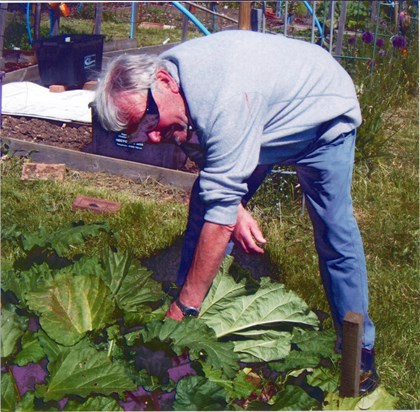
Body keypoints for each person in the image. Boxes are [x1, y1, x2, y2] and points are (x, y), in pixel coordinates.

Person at [94, 30, 379, 394]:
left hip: (321, 117)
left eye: (149, 120)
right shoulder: (173, 88)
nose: (151, 136)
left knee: (333, 230)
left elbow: (220, 211)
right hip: (257, 119)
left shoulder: (223, 100)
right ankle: (192, 322)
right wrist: (235, 206)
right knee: (207, 202)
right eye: (139, 131)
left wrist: (184, 308)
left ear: (164, 81)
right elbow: (205, 157)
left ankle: (360, 350)